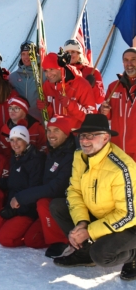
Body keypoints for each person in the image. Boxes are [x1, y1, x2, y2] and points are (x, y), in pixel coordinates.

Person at [50, 114, 136, 281]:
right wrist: (82, 223)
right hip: (102, 215)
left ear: (106, 138)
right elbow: (74, 191)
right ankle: (84, 254)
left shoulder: (121, 168)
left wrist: (89, 232)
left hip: (131, 223)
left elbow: (128, 215)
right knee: (58, 206)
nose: (85, 140)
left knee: (102, 255)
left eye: (92, 135)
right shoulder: (79, 156)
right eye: (83, 135)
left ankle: (134, 256)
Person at [11, 115, 76, 253]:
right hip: (51, 208)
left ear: (66, 132)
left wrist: (23, 197)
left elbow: (55, 188)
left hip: (68, 205)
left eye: (56, 130)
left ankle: (62, 241)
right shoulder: (53, 151)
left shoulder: (71, 156)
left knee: (43, 202)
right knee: (31, 240)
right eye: (49, 130)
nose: (51, 135)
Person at [0, 125, 45, 247]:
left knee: (5, 239)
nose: (15, 143)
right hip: (12, 205)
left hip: (27, 209)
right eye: (12, 140)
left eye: (19, 139)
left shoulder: (36, 160)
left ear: (26, 140)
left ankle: (29, 233)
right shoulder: (16, 157)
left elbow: (35, 190)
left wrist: (18, 210)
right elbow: (14, 181)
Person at [37, 52, 96, 129]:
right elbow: (51, 116)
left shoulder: (81, 84)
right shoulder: (47, 85)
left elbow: (91, 117)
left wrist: (70, 105)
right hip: (56, 134)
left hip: (76, 135)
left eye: (51, 69)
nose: (48, 74)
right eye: (46, 71)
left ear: (60, 68)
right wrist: (46, 107)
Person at [100, 47, 136, 161]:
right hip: (117, 149)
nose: (129, 63)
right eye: (126, 60)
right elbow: (105, 117)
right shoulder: (114, 86)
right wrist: (103, 111)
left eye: (133, 59)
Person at [9, 41, 43, 122]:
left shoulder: (43, 74)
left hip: (39, 121)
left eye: (29, 54)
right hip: (19, 121)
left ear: (35, 55)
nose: (26, 57)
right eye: (23, 54)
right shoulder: (13, 77)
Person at [64, 39, 105, 104]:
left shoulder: (92, 71)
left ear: (79, 53)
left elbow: (99, 100)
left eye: (73, 52)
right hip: (65, 111)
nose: (70, 55)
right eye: (67, 52)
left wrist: (92, 86)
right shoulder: (61, 71)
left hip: (86, 112)